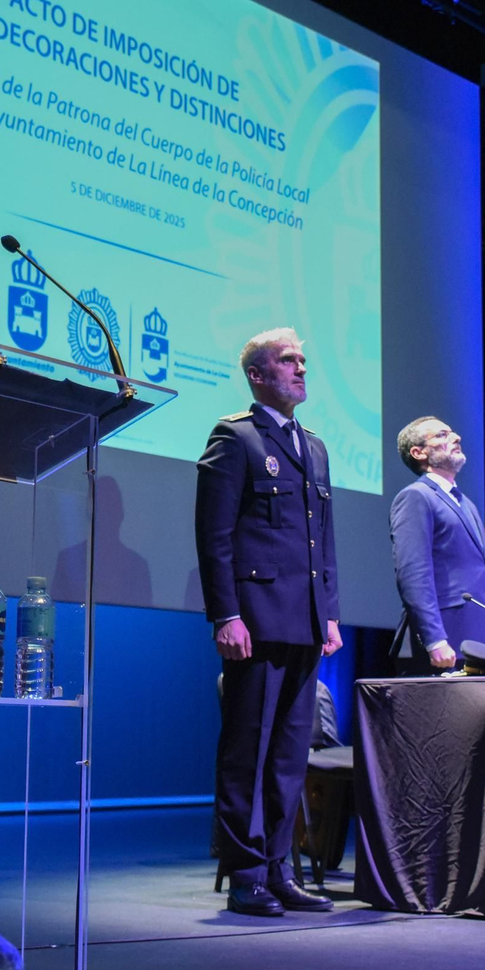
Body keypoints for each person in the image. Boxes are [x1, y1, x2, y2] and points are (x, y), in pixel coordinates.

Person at [195, 328, 342, 917]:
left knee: (288, 757)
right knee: (246, 754)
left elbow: (322, 541)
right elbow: (215, 536)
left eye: (304, 360)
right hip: (255, 619)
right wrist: (226, 614)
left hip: (305, 621)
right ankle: (245, 875)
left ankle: (280, 869)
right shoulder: (236, 438)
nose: (301, 369)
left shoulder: (316, 445)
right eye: (288, 361)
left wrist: (329, 614)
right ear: (258, 374)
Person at [388, 416, 485, 675]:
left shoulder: (466, 504)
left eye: (451, 432)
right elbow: (413, 572)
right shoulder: (416, 496)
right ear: (418, 453)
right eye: (441, 435)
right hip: (442, 644)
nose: (456, 437)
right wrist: (434, 638)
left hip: (477, 644)